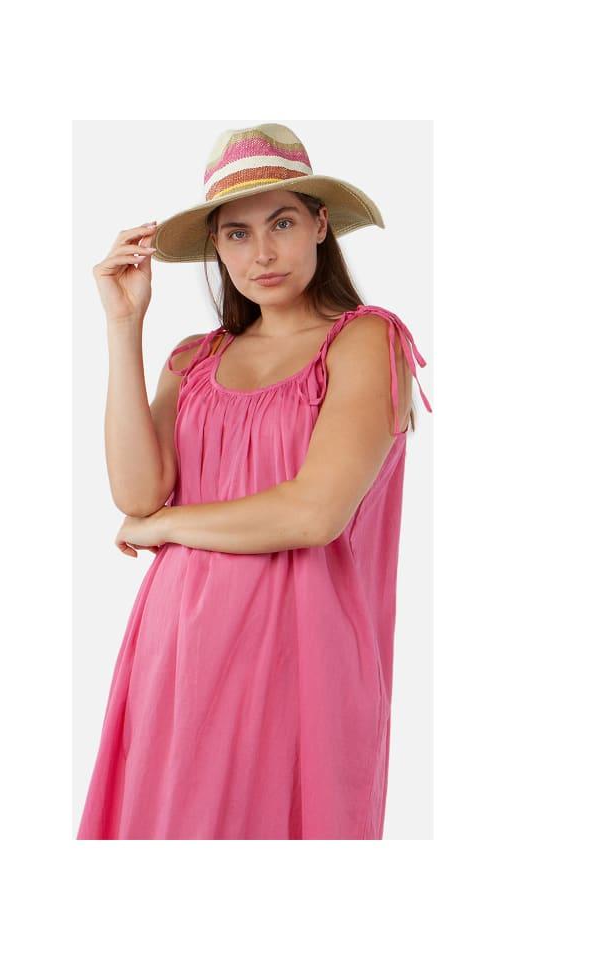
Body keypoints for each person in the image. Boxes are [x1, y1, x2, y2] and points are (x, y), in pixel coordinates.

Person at [77, 123, 432, 839]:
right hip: (178, 646)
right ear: (216, 247)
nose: (262, 253)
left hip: (303, 653)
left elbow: (314, 514)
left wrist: (166, 526)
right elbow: (136, 493)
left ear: (320, 225)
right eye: (237, 234)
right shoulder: (194, 359)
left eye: (282, 223)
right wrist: (123, 326)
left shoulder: (366, 339)